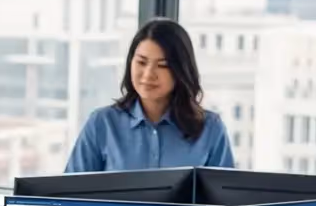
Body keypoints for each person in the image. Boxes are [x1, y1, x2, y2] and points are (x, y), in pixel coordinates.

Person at [66, 18, 234, 173]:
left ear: (180, 70)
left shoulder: (210, 129)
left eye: (162, 65)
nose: (148, 74)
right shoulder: (102, 124)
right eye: (141, 62)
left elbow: (226, 198)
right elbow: (69, 195)